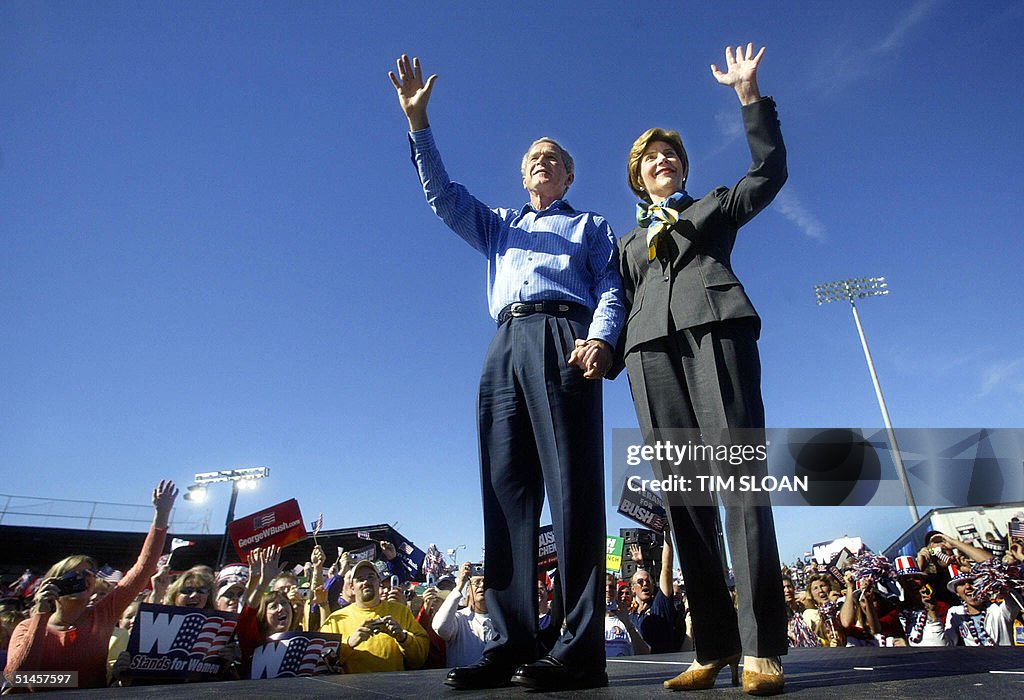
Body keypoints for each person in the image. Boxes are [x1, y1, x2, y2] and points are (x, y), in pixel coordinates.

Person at [389, 54, 624, 692]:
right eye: (533, 157)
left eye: (554, 157)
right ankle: (511, 639)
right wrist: (419, 125)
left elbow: (610, 284)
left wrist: (600, 337)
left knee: (573, 490)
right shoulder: (497, 226)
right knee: (504, 491)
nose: (542, 161)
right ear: (522, 175)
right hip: (504, 343)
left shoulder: (589, 225)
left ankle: (578, 651)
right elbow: (442, 198)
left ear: (571, 173)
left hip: (564, 336)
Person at [613, 43, 787, 695]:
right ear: (638, 176)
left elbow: (769, 173)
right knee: (684, 503)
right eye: (652, 157)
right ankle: (711, 647)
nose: (664, 161)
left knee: (741, 483)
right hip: (648, 356)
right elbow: (613, 303)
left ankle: (761, 647)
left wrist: (749, 98)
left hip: (716, 333)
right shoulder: (627, 246)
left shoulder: (711, 205)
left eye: (673, 155)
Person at [4, 480, 176, 690]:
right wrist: (40, 615)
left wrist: (162, 514)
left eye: (88, 574)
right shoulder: (26, 627)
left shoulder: (102, 615)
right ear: (52, 582)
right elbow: (17, 679)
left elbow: (144, 566)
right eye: (72, 575)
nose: (82, 579)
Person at [319, 560, 429, 673]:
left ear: (378, 582)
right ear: (352, 587)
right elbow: (320, 662)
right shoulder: (336, 619)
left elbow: (420, 659)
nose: (366, 582)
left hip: (393, 687)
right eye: (360, 579)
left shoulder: (400, 611)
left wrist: (403, 637)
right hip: (352, 688)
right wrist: (349, 644)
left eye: (371, 577)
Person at [432, 561, 496, 667]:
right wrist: (460, 585)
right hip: (462, 680)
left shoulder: (501, 620)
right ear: (468, 592)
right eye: (477, 582)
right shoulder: (459, 619)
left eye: (486, 582)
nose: (482, 585)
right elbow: (440, 627)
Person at [628, 533, 677, 654]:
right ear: (633, 588)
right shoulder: (629, 614)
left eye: (648, 581)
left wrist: (666, 534)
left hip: (661, 666)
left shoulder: (659, 605)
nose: (645, 584)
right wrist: (640, 565)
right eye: (640, 582)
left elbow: (667, 567)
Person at [605, 574, 650, 657]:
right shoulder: (591, 621)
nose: (608, 590)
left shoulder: (626, 620)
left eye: (612, 587)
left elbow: (644, 653)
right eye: (604, 587)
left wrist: (628, 624)